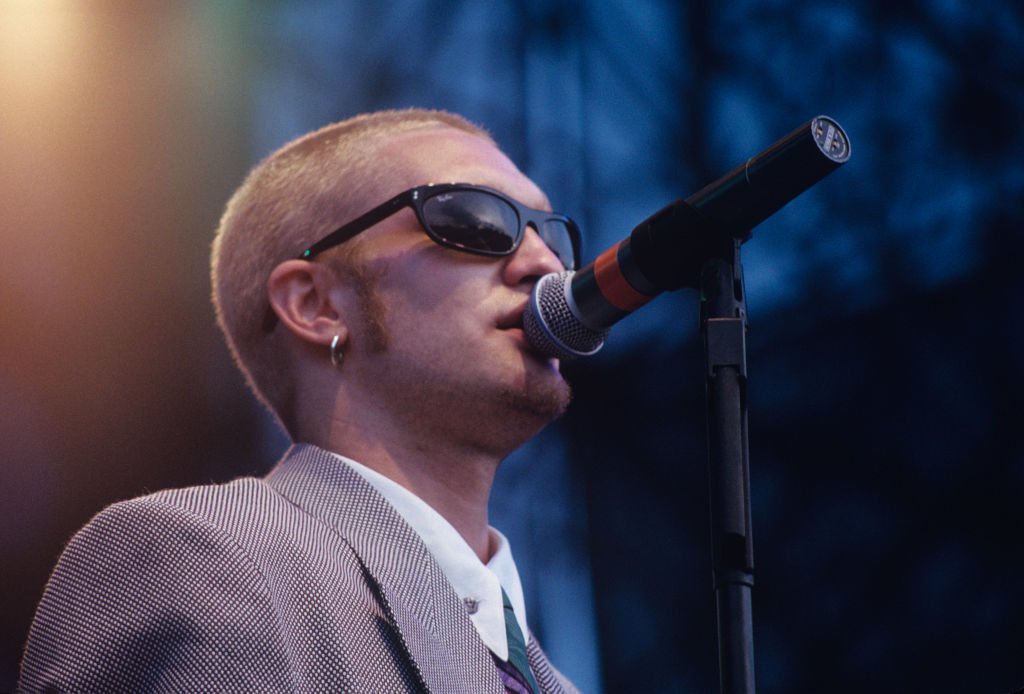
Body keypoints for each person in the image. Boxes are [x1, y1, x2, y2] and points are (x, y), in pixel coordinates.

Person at [18, 109, 582, 693]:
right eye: (477, 219)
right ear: (316, 304)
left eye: (554, 237)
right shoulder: (196, 556)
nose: (545, 264)